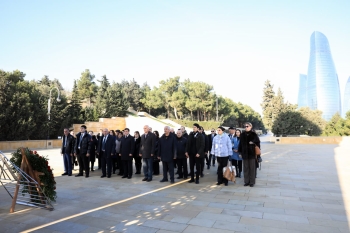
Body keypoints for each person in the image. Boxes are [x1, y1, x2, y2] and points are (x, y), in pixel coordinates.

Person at [238, 122, 260, 187]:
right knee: (246, 168)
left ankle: (252, 182)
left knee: (252, 168)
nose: (246, 127)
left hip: (252, 154)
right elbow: (240, 144)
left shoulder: (254, 134)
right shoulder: (242, 135)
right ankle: (246, 181)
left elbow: (258, 144)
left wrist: (253, 143)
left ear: (251, 127)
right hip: (244, 154)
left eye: (247, 126)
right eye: (245, 126)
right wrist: (240, 152)